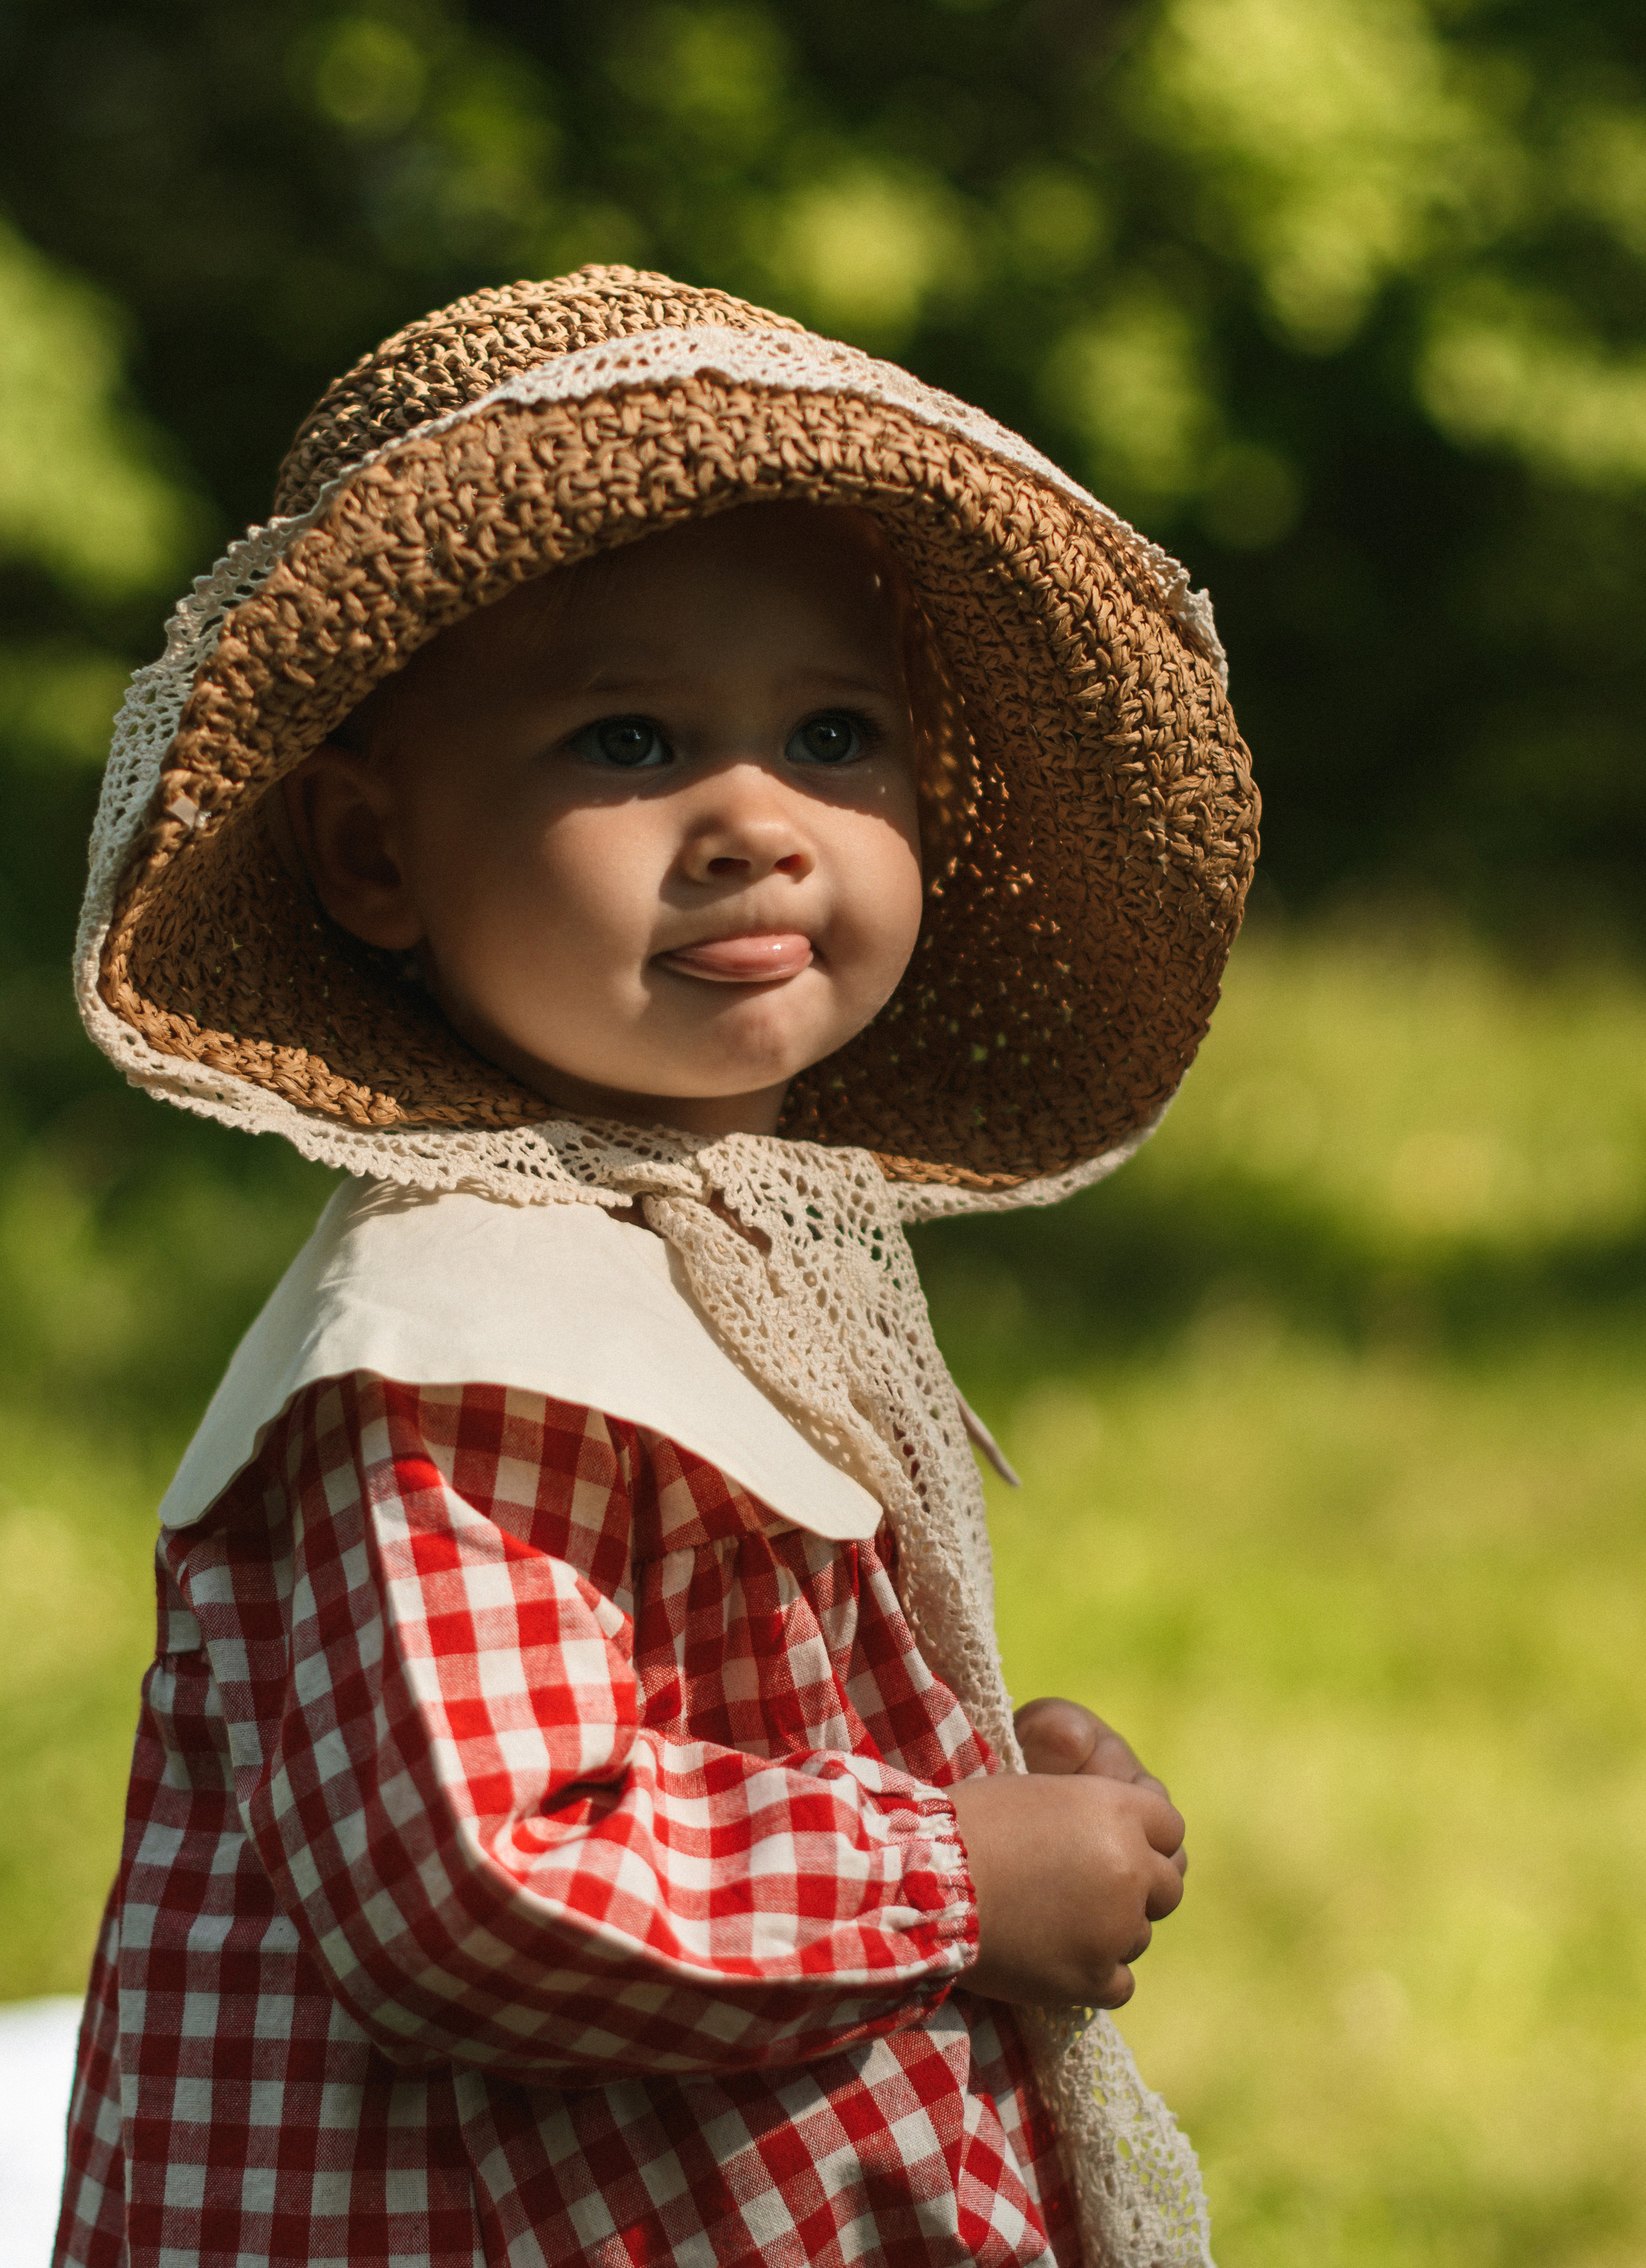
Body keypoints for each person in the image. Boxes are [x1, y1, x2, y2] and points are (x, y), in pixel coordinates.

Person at [58, 269, 1258, 2268]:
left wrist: (977, 1777)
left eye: (831, 733)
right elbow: (477, 1882)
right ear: (374, 858)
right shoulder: (456, 1336)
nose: (758, 826)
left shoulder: (711, 1251)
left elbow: (714, 1727)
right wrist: (951, 1877)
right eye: (628, 737)